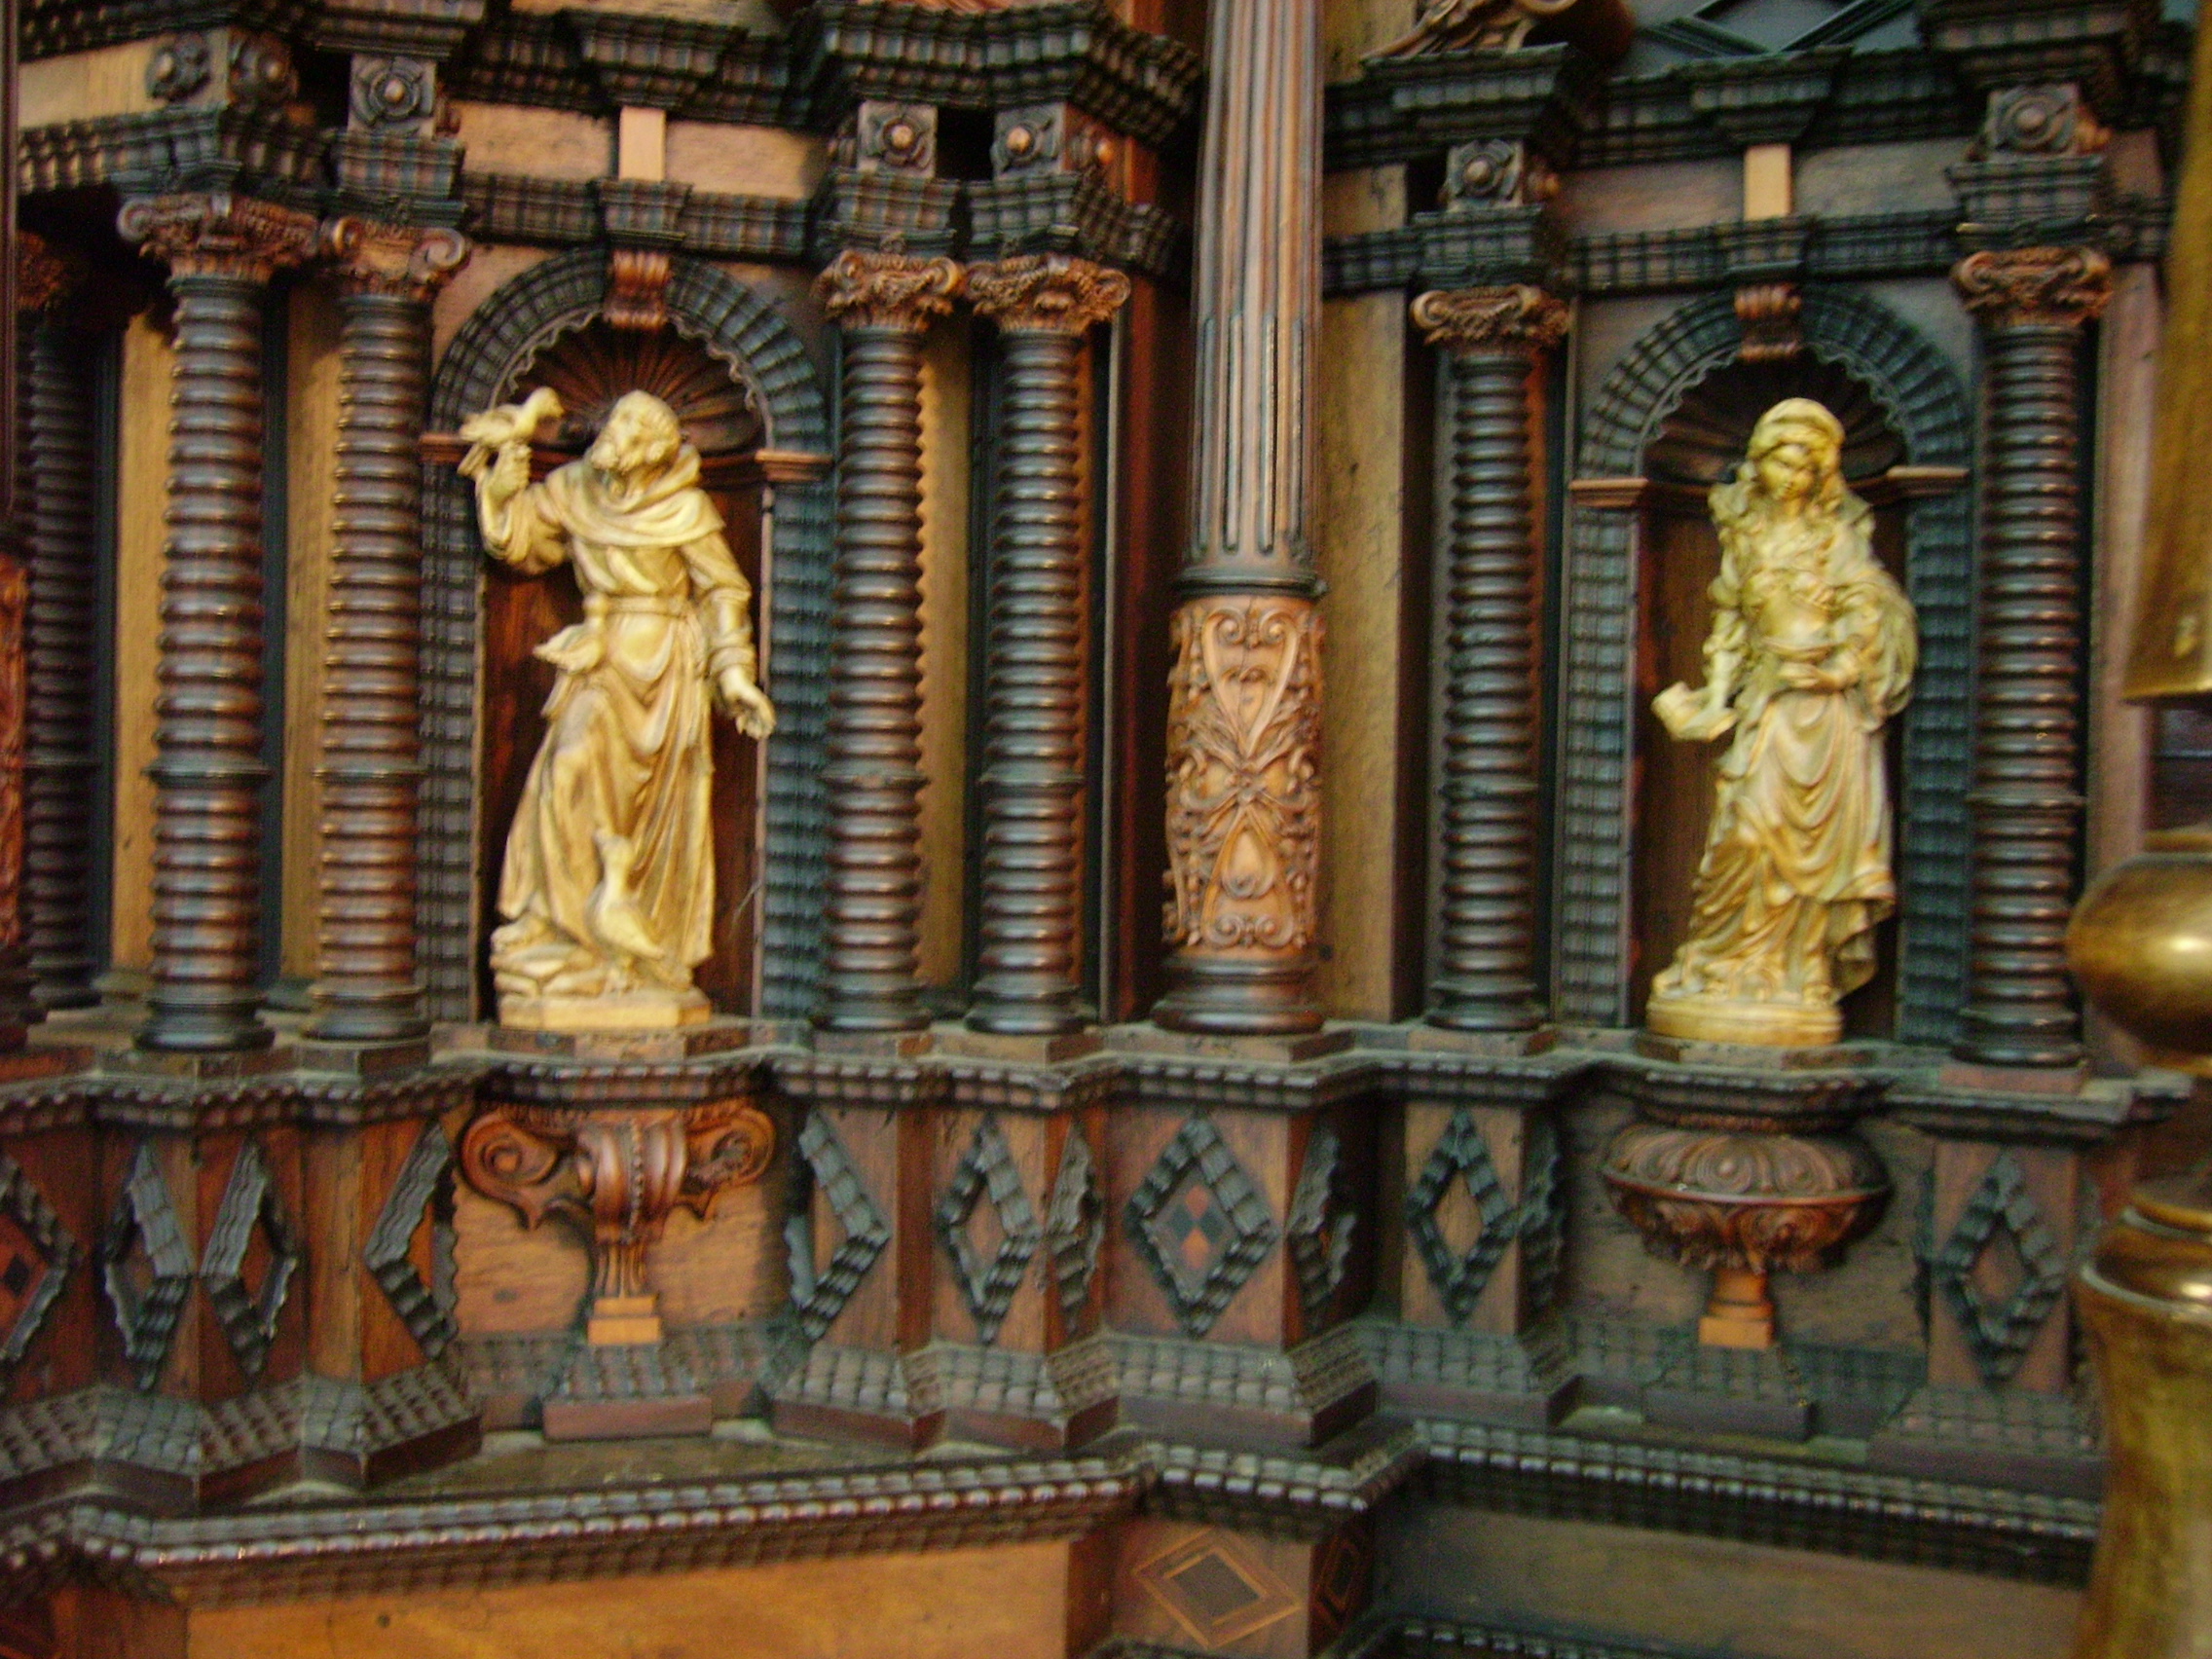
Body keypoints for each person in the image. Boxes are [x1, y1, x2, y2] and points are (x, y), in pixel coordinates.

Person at [465, 388, 775, 1029]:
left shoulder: (684, 509)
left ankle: (633, 952)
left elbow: (722, 590)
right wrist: (503, 485)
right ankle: (557, 930)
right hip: (601, 656)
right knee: (566, 770)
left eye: (631, 427)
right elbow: (522, 543)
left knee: (645, 812)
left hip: (665, 664)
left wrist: (735, 674)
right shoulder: (576, 487)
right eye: (615, 422)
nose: (614, 434)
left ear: (653, 449)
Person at [1647, 397, 1917, 1048]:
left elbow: (1873, 614)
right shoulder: (1745, 537)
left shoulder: (1836, 539)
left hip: (1825, 716)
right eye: (1781, 462)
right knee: (1745, 835)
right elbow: (1731, 628)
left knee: (1813, 853)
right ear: (1760, 463)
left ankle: (1798, 972)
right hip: (1767, 706)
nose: (1792, 477)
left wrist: (1836, 670)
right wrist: (1713, 699)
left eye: (1805, 466)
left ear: (1821, 474)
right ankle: (1725, 964)